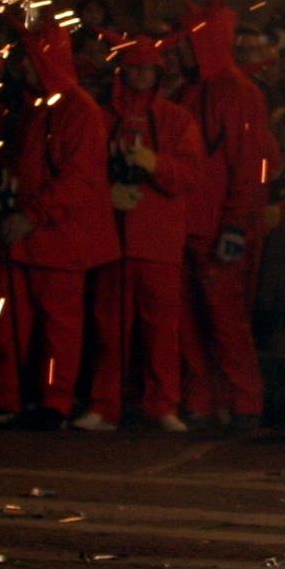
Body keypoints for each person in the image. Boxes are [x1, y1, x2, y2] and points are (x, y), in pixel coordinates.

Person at [0, 20, 121, 428]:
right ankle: (8, 396)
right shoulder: (35, 107)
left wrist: (30, 215)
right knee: (9, 321)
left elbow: (79, 179)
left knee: (58, 326)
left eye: (30, 59)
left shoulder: (78, 112)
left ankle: (53, 401)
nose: (23, 67)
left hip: (57, 236)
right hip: (30, 231)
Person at [79, 39, 203, 432]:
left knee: (160, 330)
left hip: (156, 240)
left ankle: (162, 403)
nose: (139, 77)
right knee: (108, 327)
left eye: (146, 70)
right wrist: (107, 193)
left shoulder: (176, 120)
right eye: (133, 69)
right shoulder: (102, 117)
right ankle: (106, 404)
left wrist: (155, 164)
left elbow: (190, 175)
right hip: (116, 239)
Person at [176, 9, 279, 430]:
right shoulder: (196, 90)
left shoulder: (234, 93)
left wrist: (236, 224)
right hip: (194, 223)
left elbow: (248, 164)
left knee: (225, 317)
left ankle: (242, 400)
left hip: (216, 224)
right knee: (194, 318)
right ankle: (209, 398)